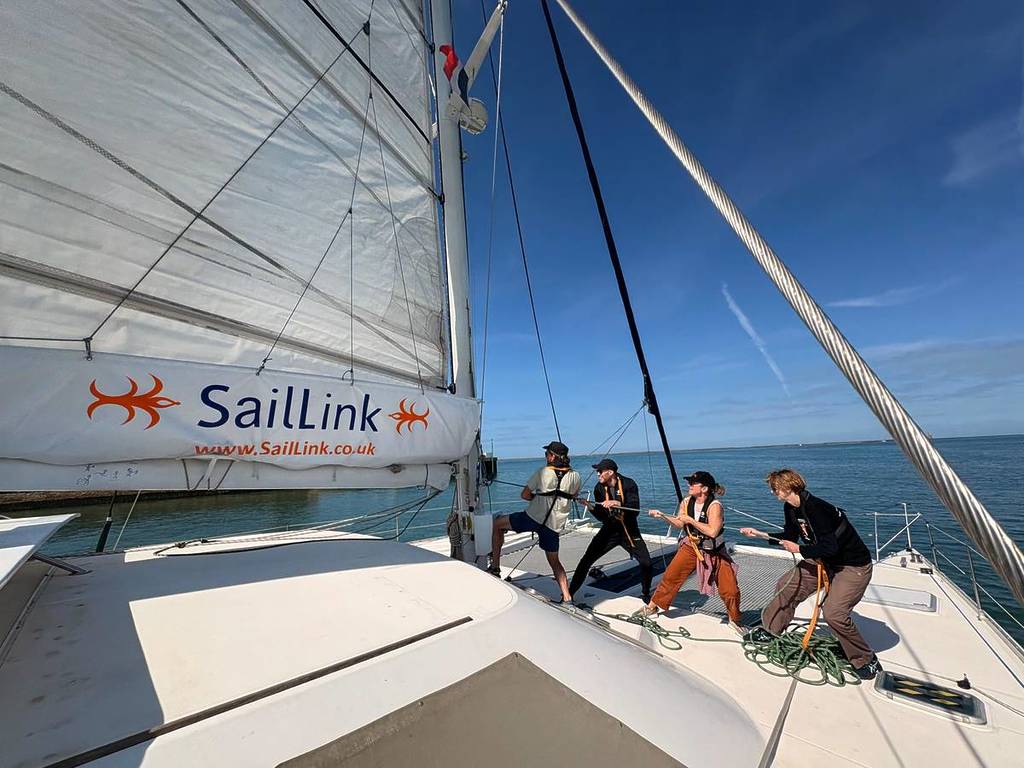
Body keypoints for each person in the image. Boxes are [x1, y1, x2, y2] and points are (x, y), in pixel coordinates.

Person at [741, 468, 882, 680]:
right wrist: (761, 535)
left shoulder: (817, 509)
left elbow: (830, 546)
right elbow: (790, 535)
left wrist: (800, 550)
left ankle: (865, 659)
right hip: (822, 560)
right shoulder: (791, 508)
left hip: (852, 566)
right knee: (786, 586)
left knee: (834, 614)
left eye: (775, 489)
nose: (773, 493)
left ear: (788, 487)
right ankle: (772, 630)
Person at [637, 471, 745, 635]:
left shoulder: (715, 506)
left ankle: (735, 619)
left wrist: (692, 520)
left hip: (714, 550)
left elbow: (713, 531)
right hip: (692, 546)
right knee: (671, 576)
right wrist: (663, 516)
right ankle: (652, 607)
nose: (688, 485)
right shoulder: (686, 502)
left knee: (730, 588)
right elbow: (680, 524)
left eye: (692, 484)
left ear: (704, 488)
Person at [490, 441, 581, 602]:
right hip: (553, 526)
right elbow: (573, 495)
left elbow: (524, 495)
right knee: (555, 562)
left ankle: (495, 567)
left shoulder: (543, 472)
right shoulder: (575, 476)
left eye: (547, 454)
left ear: (552, 456)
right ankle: (567, 598)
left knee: (497, 525)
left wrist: (537, 498)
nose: (545, 456)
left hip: (531, 518)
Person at [568, 458, 654, 604]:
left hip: (629, 530)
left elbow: (635, 510)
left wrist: (618, 503)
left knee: (647, 564)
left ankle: (646, 594)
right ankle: (568, 595)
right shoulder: (599, 488)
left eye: (600, 471)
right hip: (609, 530)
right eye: (597, 472)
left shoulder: (629, 484)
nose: (598, 474)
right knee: (586, 561)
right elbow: (602, 516)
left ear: (610, 472)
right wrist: (589, 506)